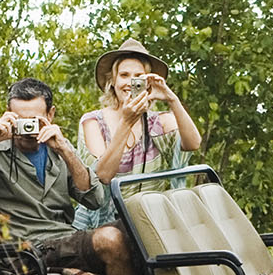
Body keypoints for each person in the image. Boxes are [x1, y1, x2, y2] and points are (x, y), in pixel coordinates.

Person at [0, 77, 146, 275]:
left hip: (65, 239)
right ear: (7, 115)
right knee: (109, 239)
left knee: (138, 226)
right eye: (20, 119)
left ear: (50, 115)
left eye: (34, 120)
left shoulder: (57, 147)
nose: (26, 128)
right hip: (27, 250)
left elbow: (95, 199)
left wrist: (63, 148)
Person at [81, 38, 204, 191]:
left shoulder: (159, 122)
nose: (130, 83)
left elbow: (193, 144)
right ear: (113, 80)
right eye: (124, 75)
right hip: (107, 213)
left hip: (147, 210)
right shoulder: (93, 121)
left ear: (147, 82)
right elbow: (103, 176)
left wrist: (172, 99)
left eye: (138, 76)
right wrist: (127, 122)